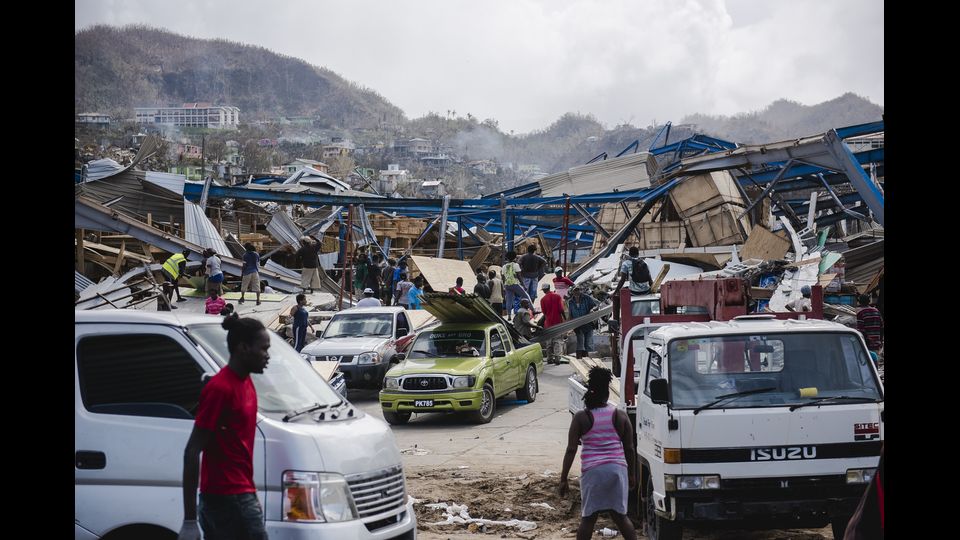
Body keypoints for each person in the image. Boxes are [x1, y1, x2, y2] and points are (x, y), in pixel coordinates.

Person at [178, 316, 271, 540]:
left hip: (241, 492)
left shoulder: (246, 382)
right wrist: (190, 521)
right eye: (264, 349)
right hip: (224, 499)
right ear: (243, 347)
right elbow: (192, 450)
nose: (267, 356)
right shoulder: (221, 389)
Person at [559, 367, 638, 540]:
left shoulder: (581, 417)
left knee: (588, 519)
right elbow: (630, 448)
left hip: (592, 472)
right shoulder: (620, 416)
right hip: (617, 470)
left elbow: (571, 449)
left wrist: (563, 478)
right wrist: (631, 474)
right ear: (607, 392)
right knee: (620, 517)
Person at [568, 287, 599, 359]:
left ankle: (589, 359)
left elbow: (596, 305)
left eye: (578, 290)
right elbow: (570, 314)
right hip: (577, 324)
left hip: (588, 323)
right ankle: (580, 359)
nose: (577, 292)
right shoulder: (571, 301)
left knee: (588, 342)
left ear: (580, 291)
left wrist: (592, 310)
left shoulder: (587, 298)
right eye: (575, 291)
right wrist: (570, 326)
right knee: (580, 342)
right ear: (572, 292)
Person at [540, 283, 567, 365]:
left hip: (548, 324)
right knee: (557, 341)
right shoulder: (557, 296)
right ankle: (557, 358)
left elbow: (544, 313)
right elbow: (561, 310)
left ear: (544, 290)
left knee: (549, 342)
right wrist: (565, 319)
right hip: (558, 323)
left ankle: (549, 358)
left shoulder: (543, 299)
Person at [502, 251, 531, 317]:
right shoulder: (516, 265)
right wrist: (523, 285)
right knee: (526, 296)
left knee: (509, 301)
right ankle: (533, 310)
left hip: (507, 285)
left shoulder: (504, 266)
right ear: (515, 258)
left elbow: (503, 277)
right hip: (515, 284)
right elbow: (519, 276)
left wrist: (504, 285)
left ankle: (509, 315)